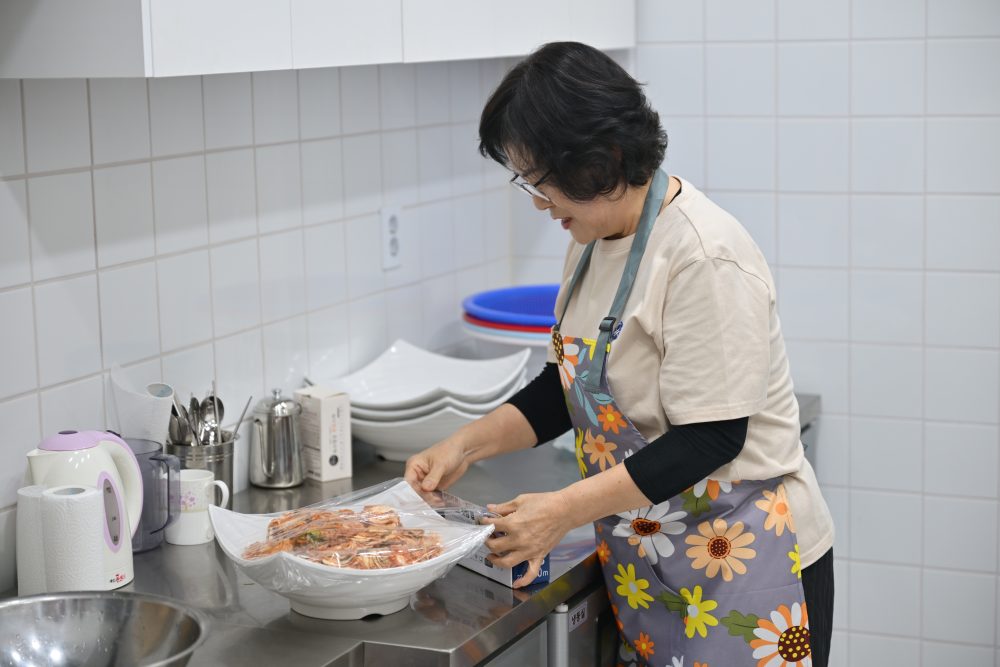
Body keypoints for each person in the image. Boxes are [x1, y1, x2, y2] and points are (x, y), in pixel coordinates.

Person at [404, 41, 834, 667]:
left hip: (751, 561)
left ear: (601, 161)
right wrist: (464, 446)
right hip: (657, 561)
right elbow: (569, 386)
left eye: (541, 180)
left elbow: (711, 438)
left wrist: (560, 510)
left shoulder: (703, 255)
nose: (538, 202)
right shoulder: (592, 239)